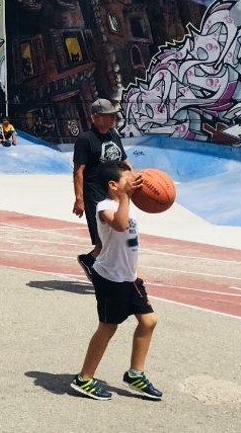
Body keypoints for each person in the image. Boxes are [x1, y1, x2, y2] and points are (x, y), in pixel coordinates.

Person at [70, 161, 162, 401]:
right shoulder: (104, 206)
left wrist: (135, 270)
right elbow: (120, 226)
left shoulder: (126, 205)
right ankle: (84, 378)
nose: (134, 183)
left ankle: (135, 374)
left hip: (129, 277)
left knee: (149, 321)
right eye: (128, 180)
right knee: (108, 327)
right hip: (110, 278)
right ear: (113, 185)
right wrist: (125, 198)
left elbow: (130, 241)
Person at [74, 98, 134, 280]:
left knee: (114, 238)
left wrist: (135, 178)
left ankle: (91, 261)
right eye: (109, 116)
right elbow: (78, 170)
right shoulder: (85, 140)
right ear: (95, 117)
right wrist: (79, 199)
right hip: (95, 195)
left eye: (114, 115)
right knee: (103, 241)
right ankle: (100, 270)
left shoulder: (113, 135)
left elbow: (124, 160)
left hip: (115, 194)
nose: (113, 118)